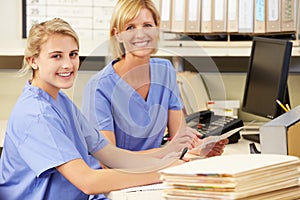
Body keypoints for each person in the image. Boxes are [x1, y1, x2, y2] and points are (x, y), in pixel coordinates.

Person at [0, 18, 197, 200]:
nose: (68, 64)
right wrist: (164, 172)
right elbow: (88, 182)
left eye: (73, 54)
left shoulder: (60, 101)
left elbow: (111, 154)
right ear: (33, 61)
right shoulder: (37, 114)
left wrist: (173, 157)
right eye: (56, 56)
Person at [82, 0, 228, 159]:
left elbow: (179, 140)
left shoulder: (165, 71)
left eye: (147, 25)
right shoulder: (99, 87)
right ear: (118, 35)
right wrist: (167, 151)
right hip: (116, 179)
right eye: (130, 27)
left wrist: (201, 147)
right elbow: (109, 160)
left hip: (155, 170)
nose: (140, 34)